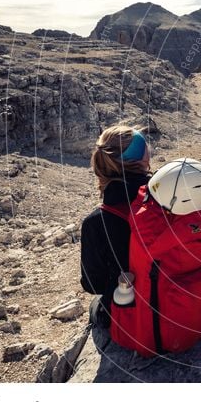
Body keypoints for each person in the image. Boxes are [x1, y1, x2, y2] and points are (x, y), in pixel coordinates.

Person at [80, 125, 151, 326]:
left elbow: (93, 284)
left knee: (96, 304)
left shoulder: (95, 223)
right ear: (143, 159)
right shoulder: (167, 197)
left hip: (129, 313)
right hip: (175, 299)